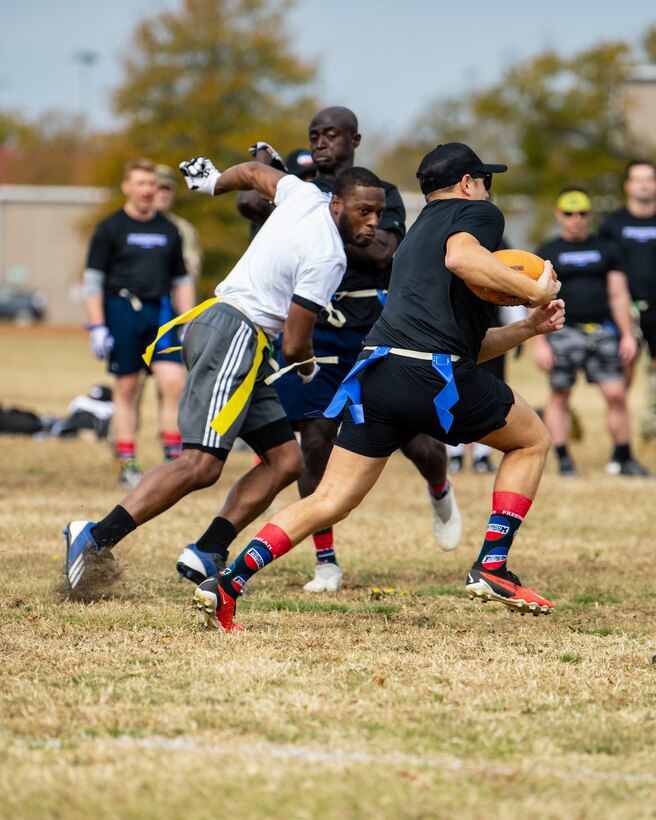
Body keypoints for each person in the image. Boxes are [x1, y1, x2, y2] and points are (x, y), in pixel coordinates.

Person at [191, 141, 566, 633]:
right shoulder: (476, 217)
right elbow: (461, 259)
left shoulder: (412, 239)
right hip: (430, 374)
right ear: (469, 184)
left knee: (330, 500)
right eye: (487, 183)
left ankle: (228, 581)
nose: (489, 193)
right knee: (532, 440)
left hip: (378, 373)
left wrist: (526, 328)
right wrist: (534, 291)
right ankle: (492, 565)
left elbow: (462, 343)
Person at [62, 158, 386, 595]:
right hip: (235, 334)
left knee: (285, 461)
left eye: (379, 213)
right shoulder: (329, 254)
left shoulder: (304, 195)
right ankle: (95, 536)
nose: (372, 223)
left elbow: (256, 173)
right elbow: (295, 344)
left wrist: (216, 183)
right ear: (338, 202)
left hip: (240, 338)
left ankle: (208, 549)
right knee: (201, 464)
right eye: (364, 211)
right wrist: (309, 367)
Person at [232, 106, 461, 596]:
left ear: (354, 139)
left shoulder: (379, 193)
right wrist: (279, 191)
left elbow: (381, 252)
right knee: (314, 439)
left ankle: (440, 488)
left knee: (414, 439)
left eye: (331, 135)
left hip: (372, 328)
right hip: (310, 326)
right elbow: (248, 201)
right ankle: (326, 561)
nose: (320, 144)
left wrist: (319, 211)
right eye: (314, 135)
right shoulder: (302, 187)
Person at [83, 158, 196, 488]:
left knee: (174, 383)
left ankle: (173, 463)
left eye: (152, 184)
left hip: (161, 313)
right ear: (127, 187)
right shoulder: (110, 228)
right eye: (141, 183)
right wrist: (98, 325)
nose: (148, 190)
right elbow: (93, 280)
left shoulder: (169, 230)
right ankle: (127, 462)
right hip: (122, 310)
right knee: (128, 388)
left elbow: (182, 278)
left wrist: (187, 322)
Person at [533, 188, 649, 477]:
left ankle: (623, 457)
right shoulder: (547, 253)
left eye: (582, 213)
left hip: (601, 331)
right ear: (559, 215)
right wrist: (540, 344)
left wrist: (626, 334)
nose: (576, 219)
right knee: (560, 395)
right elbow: (535, 300)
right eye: (570, 213)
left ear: (590, 215)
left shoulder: (606, 249)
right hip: (563, 332)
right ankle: (563, 460)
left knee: (617, 394)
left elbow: (619, 295)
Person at [599, 160, 656, 441]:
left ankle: (651, 425)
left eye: (649, 179)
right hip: (624, 312)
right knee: (623, 376)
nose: (644, 184)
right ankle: (622, 440)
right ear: (628, 185)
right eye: (638, 179)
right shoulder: (613, 224)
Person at [154, 164, 203, 280]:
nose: (163, 194)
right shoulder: (127, 225)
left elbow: (191, 272)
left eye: (168, 189)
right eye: (159, 188)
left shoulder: (183, 229)